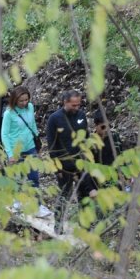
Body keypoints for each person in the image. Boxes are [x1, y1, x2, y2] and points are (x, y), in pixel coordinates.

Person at [0, 86, 52, 218]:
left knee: (33, 178)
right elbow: (4, 135)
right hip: (16, 151)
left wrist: (37, 141)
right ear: (14, 100)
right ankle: (17, 200)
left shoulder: (30, 107)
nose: (24, 103)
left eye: (26, 100)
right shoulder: (8, 114)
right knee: (18, 177)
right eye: (21, 101)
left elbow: (33, 124)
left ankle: (37, 206)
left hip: (30, 147)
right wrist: (10, 154)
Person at [46, 90, 89, 232]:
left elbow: (86, 138)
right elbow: (51, 145)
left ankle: (85, 226)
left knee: (84, 195)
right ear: (65, 102)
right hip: (63, 166)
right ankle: (58, 225)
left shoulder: (82, 116)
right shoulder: (54, 119)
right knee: (64, 195)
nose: (76, 108)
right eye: (73, 105)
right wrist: (56, 168)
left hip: (80, 163)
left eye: (78, 105)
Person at [77, 110, 121, 202]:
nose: (106, 129)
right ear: (96, 126)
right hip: (95, 183)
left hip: (112, 182)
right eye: (103, 127)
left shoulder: (115, 139)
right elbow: (85, 169)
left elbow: (121, 158)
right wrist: (91, 189)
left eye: (108, 126)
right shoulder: (89, 144)